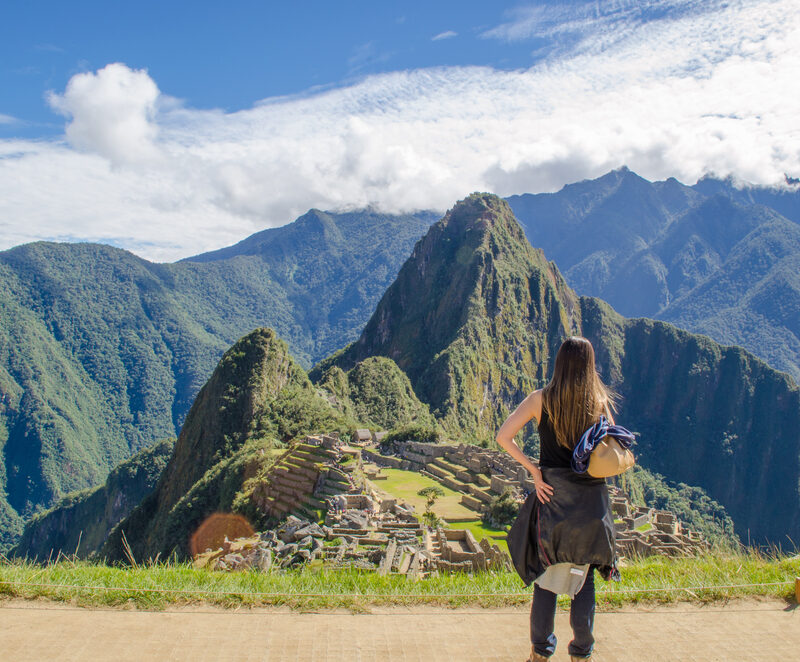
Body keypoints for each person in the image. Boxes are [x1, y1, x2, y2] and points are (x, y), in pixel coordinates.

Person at [496, 336, 618, 662]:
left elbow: (503, 436)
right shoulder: (599, 401)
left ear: (559, 363)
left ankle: (540, 652)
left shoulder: (541, 399)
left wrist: (535, 472)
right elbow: (612, 449)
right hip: (589, 501)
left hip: (552, 498)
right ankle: (581, 653)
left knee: (546, 578)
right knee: (583, 579)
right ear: (589, 365)